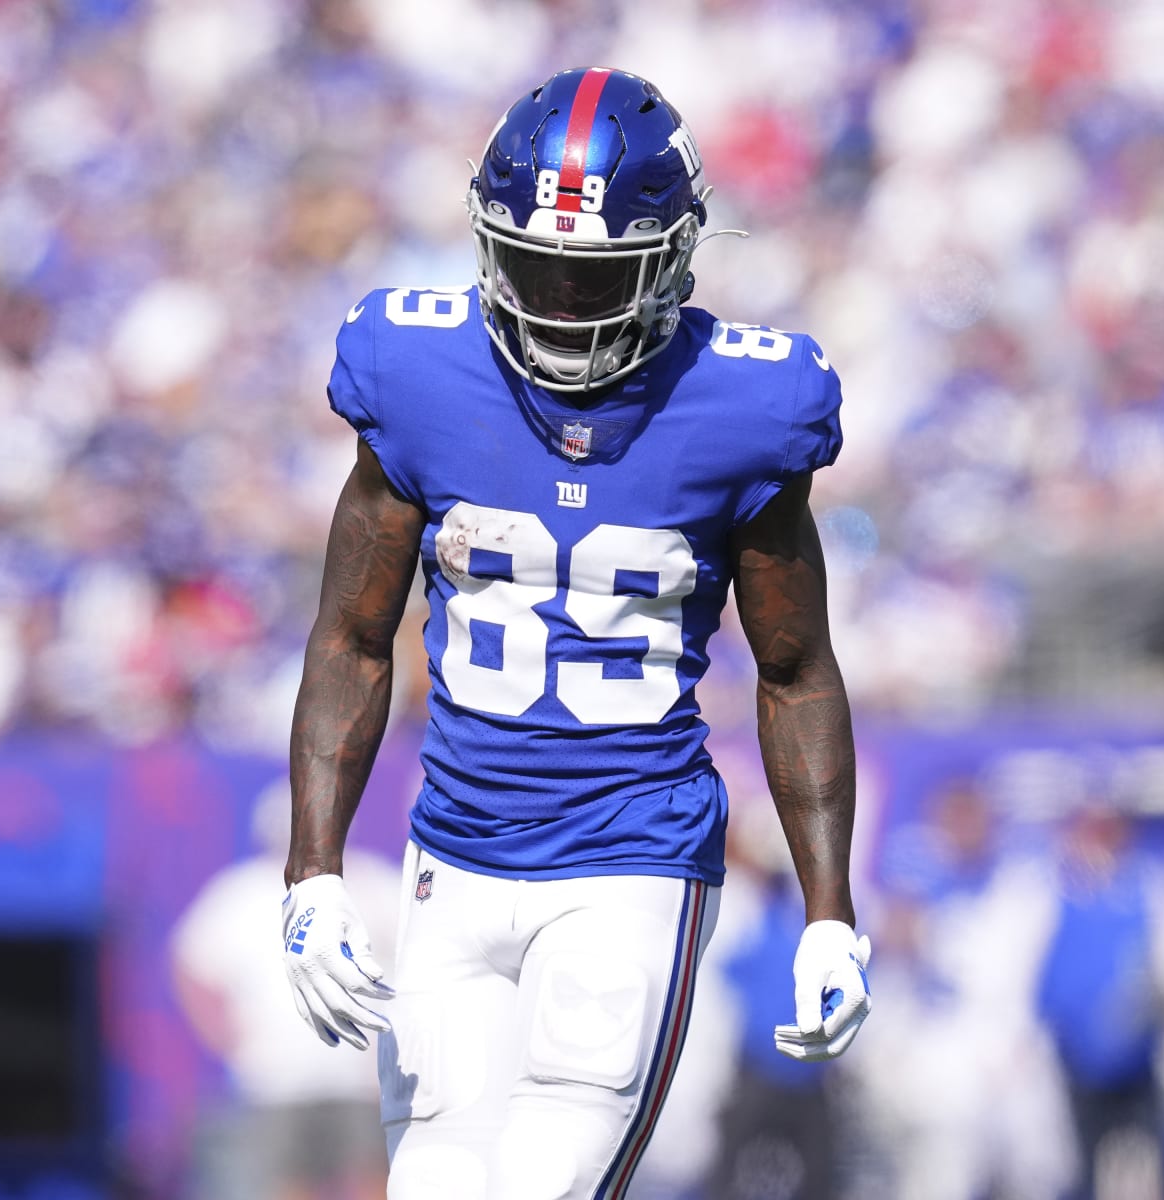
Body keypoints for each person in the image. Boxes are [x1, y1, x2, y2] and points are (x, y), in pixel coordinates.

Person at [276, 67, 871, 1200]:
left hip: (630, 858)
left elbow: (795, 671)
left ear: (675, 255)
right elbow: (350, 637)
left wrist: (829, 914)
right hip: (450, 851)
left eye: (594, 274)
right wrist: (310, 875)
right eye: (537, 265)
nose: (560, 305)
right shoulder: (418, 372)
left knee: (543, 1184)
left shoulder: (747, 407)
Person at [171, 783, 400, 1200]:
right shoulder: (242, 893)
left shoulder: (372, 882)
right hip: (275, 1076)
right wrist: (227, 1038)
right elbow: (191, 965)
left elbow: (417, 951)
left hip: (360, 1075)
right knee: (288, 1182)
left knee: (369, 1178)